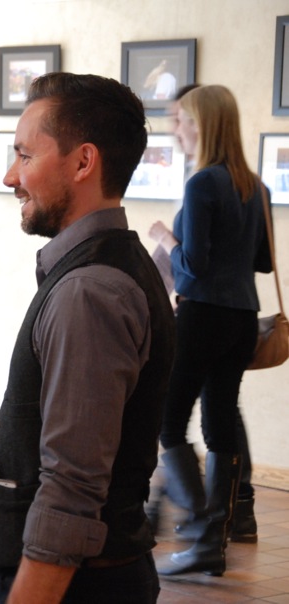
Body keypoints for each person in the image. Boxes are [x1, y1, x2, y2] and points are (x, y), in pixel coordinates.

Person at [0, 72, 176, 603]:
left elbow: (73, 486)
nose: (11, 176)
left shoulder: (88, 291)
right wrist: (7, 460)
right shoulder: (109, 269)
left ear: (83, 162)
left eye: (25, 156)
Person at [149, 85, 273, 576]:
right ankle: (213, 540)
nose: (177, 128)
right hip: (242, 318)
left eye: (183, 120)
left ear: (201, 125)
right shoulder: (255, 186)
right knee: (219, 424)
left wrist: (166, 238)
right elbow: (263, 261)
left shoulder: (202, 183)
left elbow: (192, 266)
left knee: (168, 422)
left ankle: (202, 529)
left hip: (201, 316)